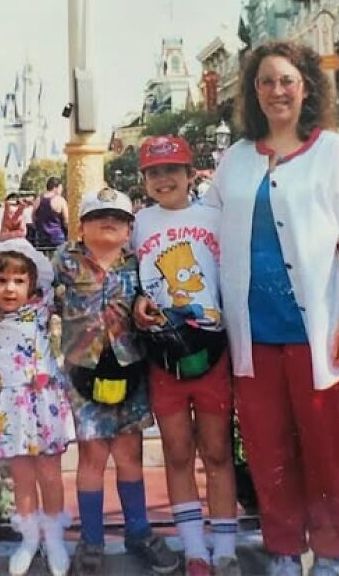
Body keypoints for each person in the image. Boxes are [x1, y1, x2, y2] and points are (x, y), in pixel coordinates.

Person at [203, 42, 339, 576]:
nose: (276, 91)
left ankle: (328, 555)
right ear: (252, 92)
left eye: (286, 80)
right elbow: (205, 234)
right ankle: (283, 552)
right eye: (264, 82)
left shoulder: (332, 152)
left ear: (305, 86)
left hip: (315, 330)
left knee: (324, 449)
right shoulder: (234, 160)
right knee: (267, 451)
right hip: (253, 335)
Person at [52, 188, 179, 576]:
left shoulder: (138, 263)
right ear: (81, 226)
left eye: (119, 218)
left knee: (129, 455)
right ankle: (92, 537)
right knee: (92, 458)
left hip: (129, 369)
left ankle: (138, 531)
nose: (109, 223)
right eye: (99, 216)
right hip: (84, 373)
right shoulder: (63, 262)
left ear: (129, 230)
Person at [132, 136, 240, 576]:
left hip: (211, 348)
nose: (164, 179)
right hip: (164, 352)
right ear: (144, 180)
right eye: (154, 172)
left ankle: (226, 547)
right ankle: (195, 549)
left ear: (191, 173)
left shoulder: (213, 217)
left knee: (216, 450)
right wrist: (139, 303)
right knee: (177, 451)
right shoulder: (138, 223)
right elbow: (129, 280)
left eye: (172, 170)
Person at [0, 239, 73, 576]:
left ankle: (54, 539)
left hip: (42, 400)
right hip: (10, 402)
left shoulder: (43, 307)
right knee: (22, 475)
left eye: (19, 281)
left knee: (50, 474)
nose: (10, 288)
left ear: (31, 284)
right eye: (1, 280)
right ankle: (28, 539)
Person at [33, 177, 69, 248]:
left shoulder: (38, 200)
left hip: (41, 238)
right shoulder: (60, 200)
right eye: (61, 188)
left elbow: (34, 218)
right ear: (56, 187)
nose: (61, 191)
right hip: (58, 238)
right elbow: (66, 221)